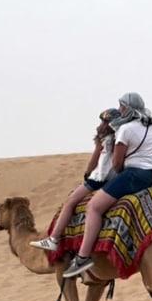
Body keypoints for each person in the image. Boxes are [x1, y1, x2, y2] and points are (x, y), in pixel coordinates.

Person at [63, 92, 152, 279]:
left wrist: (113, 180)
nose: (119, 110)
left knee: (94, 207)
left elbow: (117, 164)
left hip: (132, 176)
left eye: (121, 107)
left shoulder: (125, 130)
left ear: (127, 108)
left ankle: (83, 257)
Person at [30, 108, 121, 253]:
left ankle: (53, 239)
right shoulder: (121, 138)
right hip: (116, 179)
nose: (101, 124)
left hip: (99, 179)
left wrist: (87, 174)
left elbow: (94, 161)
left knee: (70, 201)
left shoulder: (104, 139)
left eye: (105, 121)